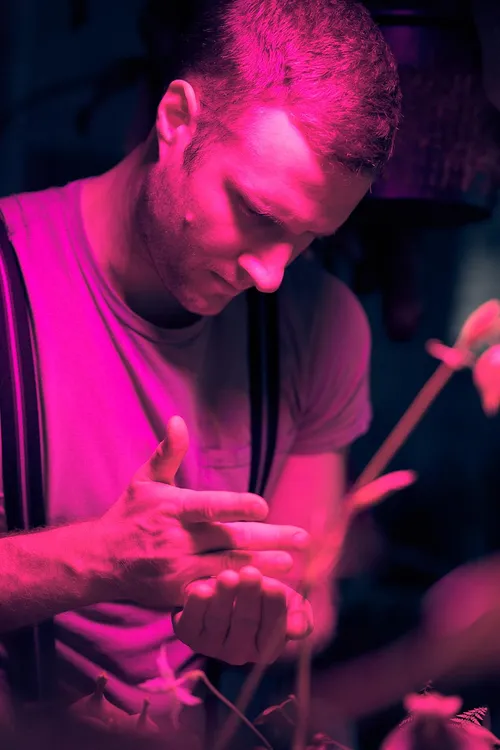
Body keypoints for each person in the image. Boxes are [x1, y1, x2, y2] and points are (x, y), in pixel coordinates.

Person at [0, 0, 401, 738]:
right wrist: (99, 559)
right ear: (176, 118)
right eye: (256, 211)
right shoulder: (8, 279)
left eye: (310, 236)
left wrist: (266, 623)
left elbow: (310, 610)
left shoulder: (322, 324)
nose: (273, 272)